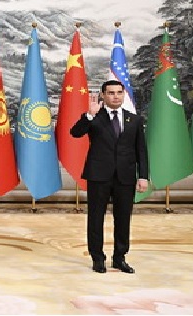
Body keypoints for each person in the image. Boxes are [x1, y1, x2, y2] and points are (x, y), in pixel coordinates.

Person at [70, 80, 149, 274]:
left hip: (126, 177)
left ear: (123, 95)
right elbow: (75, 133)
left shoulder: (134, 120)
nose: (115, 96)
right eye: (111, 93)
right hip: (99, 176)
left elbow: (141, 151)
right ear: (103, 96)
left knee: (123, 219)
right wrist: (89, 115)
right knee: (96, 219)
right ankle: (98, 258)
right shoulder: (94, 117)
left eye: (119, 93)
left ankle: (120, 258)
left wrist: (143, 176)